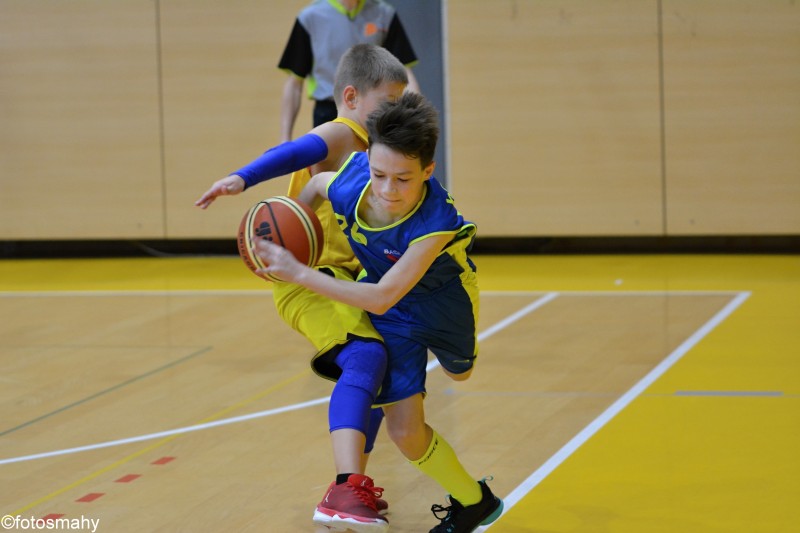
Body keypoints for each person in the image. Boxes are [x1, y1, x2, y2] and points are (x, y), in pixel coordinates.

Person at [253, 91, 504, 533]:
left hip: (443, 306)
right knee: (404, 431)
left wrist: (298, 271)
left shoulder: (436, 222)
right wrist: (296, 226)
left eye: (403, 179)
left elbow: (383, 295)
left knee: (461, 374)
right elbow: (316, 184)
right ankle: (474, 502)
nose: (388, 190)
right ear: (368, 160)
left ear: (428, 171)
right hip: (392, 312)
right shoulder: (352, 181)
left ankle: (360, 488)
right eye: (379, 174)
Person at [196, 44, 410, 532]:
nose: (395, 111)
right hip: (307, 279)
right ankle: (345, 488)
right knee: (365, 356)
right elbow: (295, 151)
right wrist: (242, 178)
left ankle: (353, 487)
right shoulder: (342, 132)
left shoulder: (377, 149)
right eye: (388, 101)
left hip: (342, 281)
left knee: (386, 371)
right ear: (351, 97)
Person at [278, 0, 420, 142]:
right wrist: (285, 139)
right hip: (328, 111)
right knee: (329, 156)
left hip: (374, 110)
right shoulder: (309, 18)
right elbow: (294, 83)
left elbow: (405, 74)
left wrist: (416, 119)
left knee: (373, 156)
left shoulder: (384, 14)